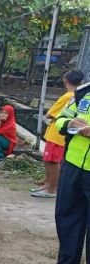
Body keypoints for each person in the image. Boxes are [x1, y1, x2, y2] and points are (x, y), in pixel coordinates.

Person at [44, 79, 90, 264]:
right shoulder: (84, 94)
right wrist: (69, 124)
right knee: (67, 216)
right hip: (72, 165)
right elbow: (61, 118)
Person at [31, 70, 85, 198]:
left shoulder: (68, 96)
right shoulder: (77, 96)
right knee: (49, 159)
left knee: (53, 161)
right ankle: (49, 184)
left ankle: (51, 188)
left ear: (65, 81)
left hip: (57, 133)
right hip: (57, 133)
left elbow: (50, 114)